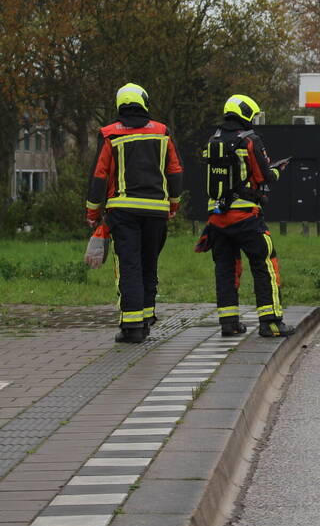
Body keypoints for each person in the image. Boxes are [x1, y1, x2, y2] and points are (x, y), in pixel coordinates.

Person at [86, 83, 183, 343]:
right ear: (144, 102)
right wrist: (173, 204)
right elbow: (174, 171)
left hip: (123, 210)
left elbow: (99, 175)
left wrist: (93, 211)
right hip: (156, 212)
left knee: (130, 265)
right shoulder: (162, 132)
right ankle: (147, 318)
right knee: (149, 264)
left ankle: (132, 328)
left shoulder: (110, 134)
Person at [201, 94, 293, 338]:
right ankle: (271, 322)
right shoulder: (250, 140)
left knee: (226, 269)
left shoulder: (213, 140)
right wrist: (278, 170)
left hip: (217, 219)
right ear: (245, 115)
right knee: (265, 264)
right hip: (245, 217)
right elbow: (265, 177)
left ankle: (229, 323)